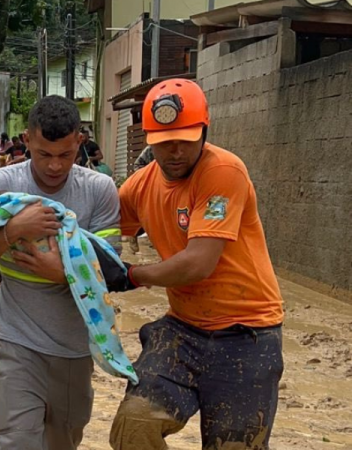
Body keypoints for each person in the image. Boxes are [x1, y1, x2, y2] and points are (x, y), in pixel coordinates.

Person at [110, 79, 284, 450]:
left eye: (185, 140)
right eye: (163, 142)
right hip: (183, 331)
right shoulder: (139, 187)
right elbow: (96, 233)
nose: (175, 151)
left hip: (247, 334)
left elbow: (198, 263)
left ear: (204, 131)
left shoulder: (223, 172)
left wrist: (131, 276)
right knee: (134, 425)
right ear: (148, 141)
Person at [0, 95, 122, 449]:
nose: (54, 166)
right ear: (27, 140)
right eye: (43, 154)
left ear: (79, 143)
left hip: (75, 350)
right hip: (15, 342)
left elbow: (111, 272)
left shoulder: (99, 190)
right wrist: (13, 230)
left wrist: (62, 273)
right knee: (16, 442)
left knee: (63, 443)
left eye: (65, 155)